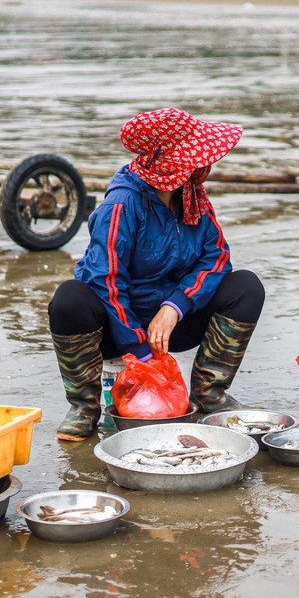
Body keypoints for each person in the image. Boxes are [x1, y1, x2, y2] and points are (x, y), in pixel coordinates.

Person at [48, 108, 263, 439]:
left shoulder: (192, 197)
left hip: (170, 325)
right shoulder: (122, 204)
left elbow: (216, 258)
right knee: (69, 300)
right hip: (118, 327)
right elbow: (106, 281)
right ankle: (83, 407)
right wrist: (138, 347)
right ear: (170, 162)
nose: (202, 164)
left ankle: (209, 394)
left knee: (246, 287)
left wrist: (174, 306)